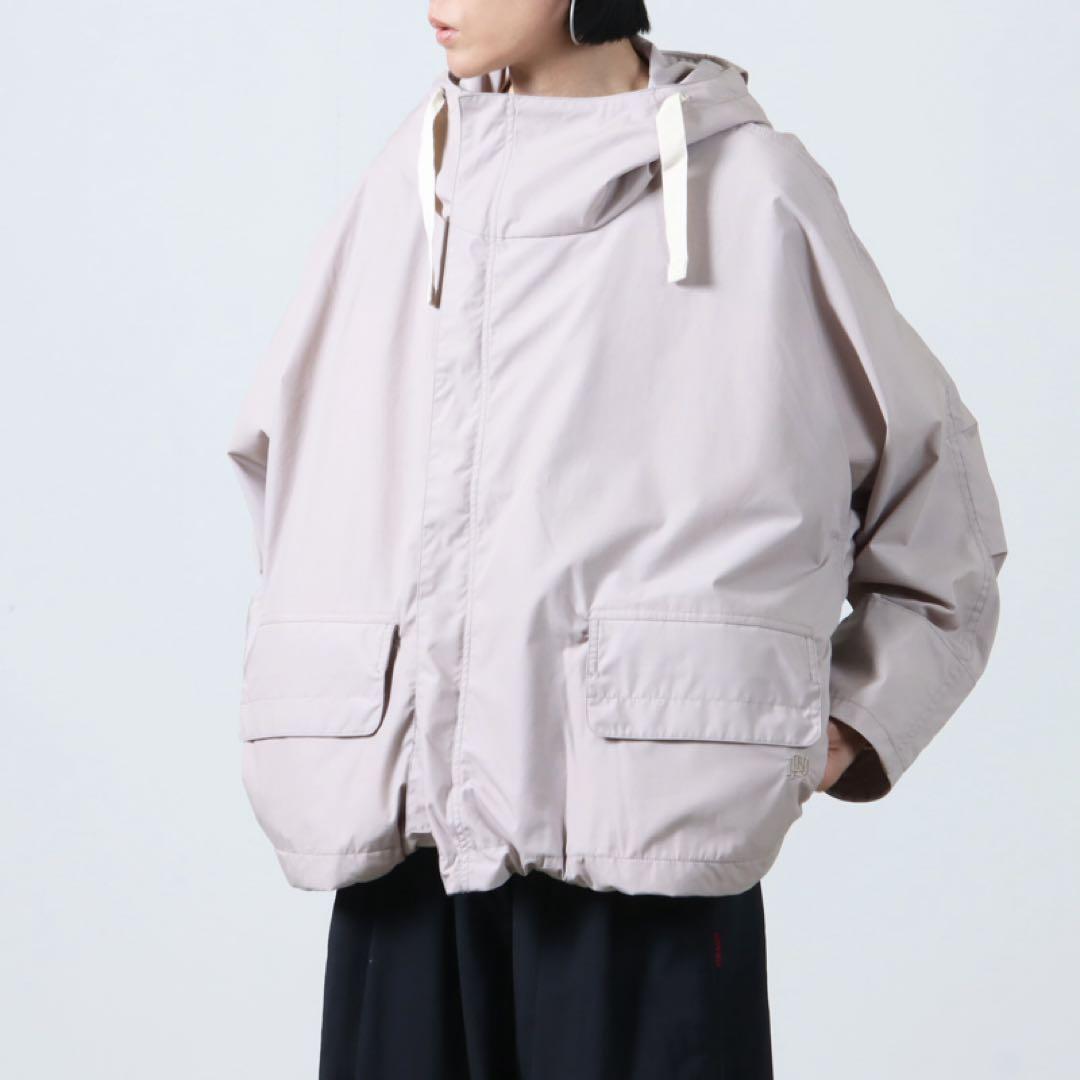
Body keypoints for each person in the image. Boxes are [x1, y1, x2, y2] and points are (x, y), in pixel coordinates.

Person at [226, 2, 1008, 1076]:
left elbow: (940, 512)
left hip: (648, 865)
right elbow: (290, 474)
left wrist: (842, 728)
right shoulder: (407, 187)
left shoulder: (755, 193)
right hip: (404, 863)